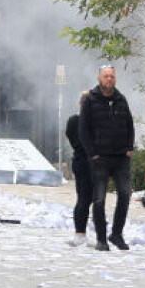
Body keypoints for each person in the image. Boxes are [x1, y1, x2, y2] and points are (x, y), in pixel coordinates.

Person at [78, 65, 135, 251]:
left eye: (112, 76)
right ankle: (101, 239)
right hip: (99, 158)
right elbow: (83, 130)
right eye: (106, 76)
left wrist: (129, 148)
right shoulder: (89, 100)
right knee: (99, 199)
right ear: (99, 78)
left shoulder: (121, 99)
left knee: (125, 194)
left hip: (121, 158)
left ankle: (116, 234)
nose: (109, 79)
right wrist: (92, 153)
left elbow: (130, 125)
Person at [65, 102, 94, 247]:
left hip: (78, 161)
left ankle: (80, 232)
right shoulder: (92, 121)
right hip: (91, 162)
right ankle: (82, 233)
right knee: (88, 199)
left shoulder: (72, 120)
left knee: (82, 198)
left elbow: (69, 135)